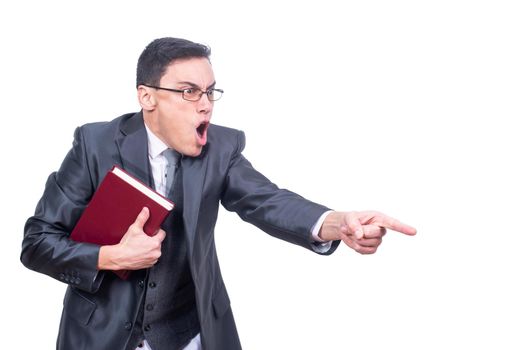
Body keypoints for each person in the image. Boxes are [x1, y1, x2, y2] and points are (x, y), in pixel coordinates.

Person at [21, 37, 417, 350]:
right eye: (189, 92)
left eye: (210, 92)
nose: (206, 106)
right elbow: (37, 243)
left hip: (192, 334)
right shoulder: (95, 144)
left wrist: (336, 223)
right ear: (147, 97)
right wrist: (111, 257)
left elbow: (268, 200)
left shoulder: (220, 149)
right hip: (101, 335)